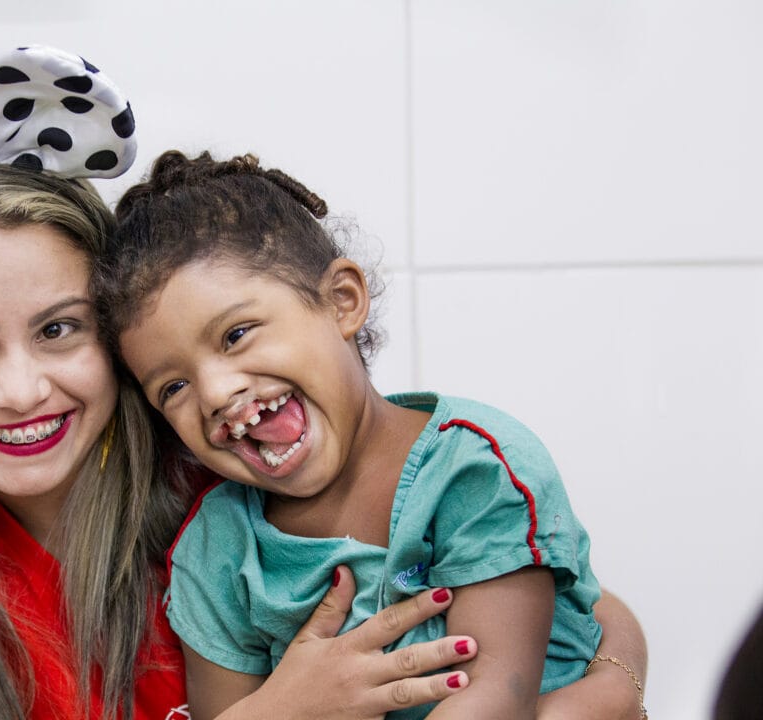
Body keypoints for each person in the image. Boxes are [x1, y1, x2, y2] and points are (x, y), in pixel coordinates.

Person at [0, 20, 513, 720]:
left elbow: (536, 580)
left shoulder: (235, 476)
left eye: (60, 329)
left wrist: (611, 674)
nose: (22, 390)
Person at [101, 150, 650, 719]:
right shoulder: (216, 551)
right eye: (172, 387)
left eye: (236, 334)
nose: (214, 392)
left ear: (342, 301)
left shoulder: (477, 469)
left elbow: (490, 705)